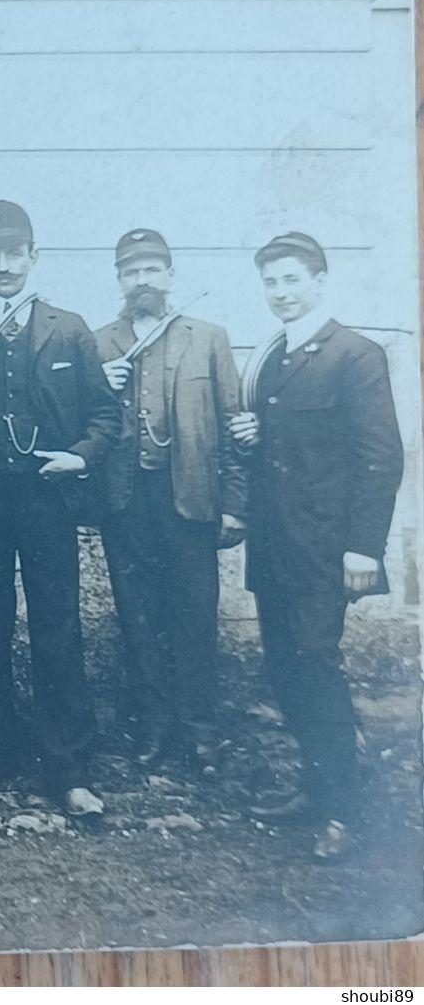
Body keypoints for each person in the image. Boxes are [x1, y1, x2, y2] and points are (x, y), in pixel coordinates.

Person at [0, 201, 123, 817]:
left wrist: (81, 457)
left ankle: (68, 765)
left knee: (56, 626)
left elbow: (104, 415)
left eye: (14, 254)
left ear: (34, 256)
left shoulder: (69, 328)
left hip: (45, 497)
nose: (3, 266)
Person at [230, 231, 403, 861]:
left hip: (327, 548)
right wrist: (253, 433)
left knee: (316, 666)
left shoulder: (354, 354)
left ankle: (344, 814)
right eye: (271, 282)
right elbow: (283, 449)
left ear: (320, 280)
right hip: (276, 546)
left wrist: (365, 547)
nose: (280, 292)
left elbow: (382, 458)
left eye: (292, 280)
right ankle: (315, 788)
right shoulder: (274, 358)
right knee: (285, 670)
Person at [93, 229, 246, 767]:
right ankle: (153, 727)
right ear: (119, 280)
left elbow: (232, 426)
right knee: (138, 617)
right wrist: (99, 387)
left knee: (195, 615)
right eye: (131, 271)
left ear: (170, 275)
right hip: (126, 501)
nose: (142, 281)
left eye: (152, 269)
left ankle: (200, 729)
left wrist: (234, 505)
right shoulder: (100, 343)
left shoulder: (208, 337)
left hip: (190, 498)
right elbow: (84, 425)